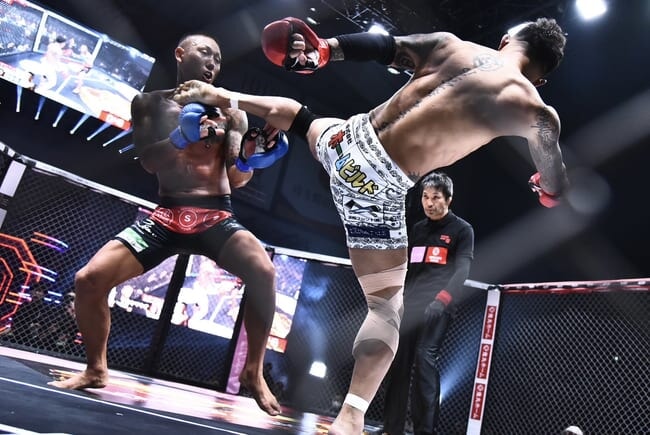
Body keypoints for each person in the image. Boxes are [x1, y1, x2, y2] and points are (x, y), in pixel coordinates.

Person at [171, 17, 569, 433]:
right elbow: (555, 183)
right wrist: (546, 187)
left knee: (303, 119)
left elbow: (382, 46)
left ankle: (227, 96)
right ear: (540, 79)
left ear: (506, 40)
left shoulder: (450, 43)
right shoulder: (535, 110)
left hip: (348, 140)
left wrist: (324, 49)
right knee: (386, 308)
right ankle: (351, 416)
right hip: (377, 186)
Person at [48, 33, 283, 416]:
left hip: (215, 216)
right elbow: (149, 162)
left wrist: (251, 156)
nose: (212, 62)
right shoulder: (149, 103)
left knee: (264, 272)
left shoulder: (231, 113)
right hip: (166, 215)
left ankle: (253, 372)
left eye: (218, 58)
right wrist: (180, 137)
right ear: (180, 53)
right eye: (205, 52)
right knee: (88, 280)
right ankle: (96, 369)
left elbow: (237, 178)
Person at [382, 171, 474, 435]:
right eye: (425, 197)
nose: (429, 203)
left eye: (435, 197)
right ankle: (391, 428)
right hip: (409, 306)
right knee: (398, 364)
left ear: (449, 199)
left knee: (424, 360)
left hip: (438, 307)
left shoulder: (462, 230)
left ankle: (425, 431)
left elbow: (462, 270)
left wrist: (442, 299)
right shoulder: (418, 229)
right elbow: (407, 269)